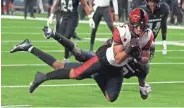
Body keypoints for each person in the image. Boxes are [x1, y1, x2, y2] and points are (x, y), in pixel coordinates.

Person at [11, 8, 152, 102]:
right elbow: (116, 55)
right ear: (131, 24)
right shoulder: (122, 31)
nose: (140, 30)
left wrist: (144, 90)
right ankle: (42, 72)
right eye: (137, 26)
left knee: (111, 98)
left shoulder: (142, 66)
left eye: (142, 26)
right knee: (75, 59)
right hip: (104, 59)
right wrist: (128, 50)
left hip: (112, 72)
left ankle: (30, 47)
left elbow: (143, 81)